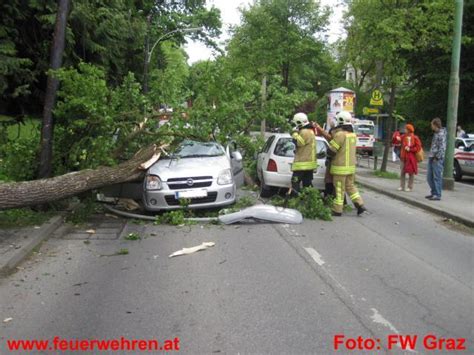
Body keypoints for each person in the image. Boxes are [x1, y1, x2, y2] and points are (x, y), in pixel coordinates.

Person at [323, 111, 367, 216]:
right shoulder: (352, 135)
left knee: (339, 189)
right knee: (350, 187)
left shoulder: (339, 135)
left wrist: (327, 156)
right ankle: (360, 204)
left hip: (340, 167)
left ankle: (337, 210)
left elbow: (332, 150)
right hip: (351, 167)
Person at [289, 112, 317, 195]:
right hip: (309, 163)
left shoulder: (304, 132)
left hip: (302, 164)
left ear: (299, 122)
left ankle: (295, 200)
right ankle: (308, 201)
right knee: (307, 184)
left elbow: (298, 142)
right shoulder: (310, 131)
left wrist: (294, 133)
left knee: (295, 182)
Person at [426, 118, 447, 201]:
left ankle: (437, 194)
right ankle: (434, 192)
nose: (431, 126)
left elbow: (442, 148)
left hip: (437, 159)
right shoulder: (436, 133)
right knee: (429, 177)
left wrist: (437, 157)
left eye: (432, 125)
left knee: (437, 177)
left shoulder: (441, 134)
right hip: (432, 157)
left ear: (435, 125)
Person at [397, 124, 421, 192]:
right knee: (402, 172)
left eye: (406, 129)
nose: (405, 130)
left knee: (411, 172)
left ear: (409, 130)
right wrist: (397, 138)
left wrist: (410, 149)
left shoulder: (415, 138)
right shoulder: (403, 136)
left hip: (411, 158)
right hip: (403, 156)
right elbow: (398, 139)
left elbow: (418, 147)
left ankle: (410, 187)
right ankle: (402, 186)